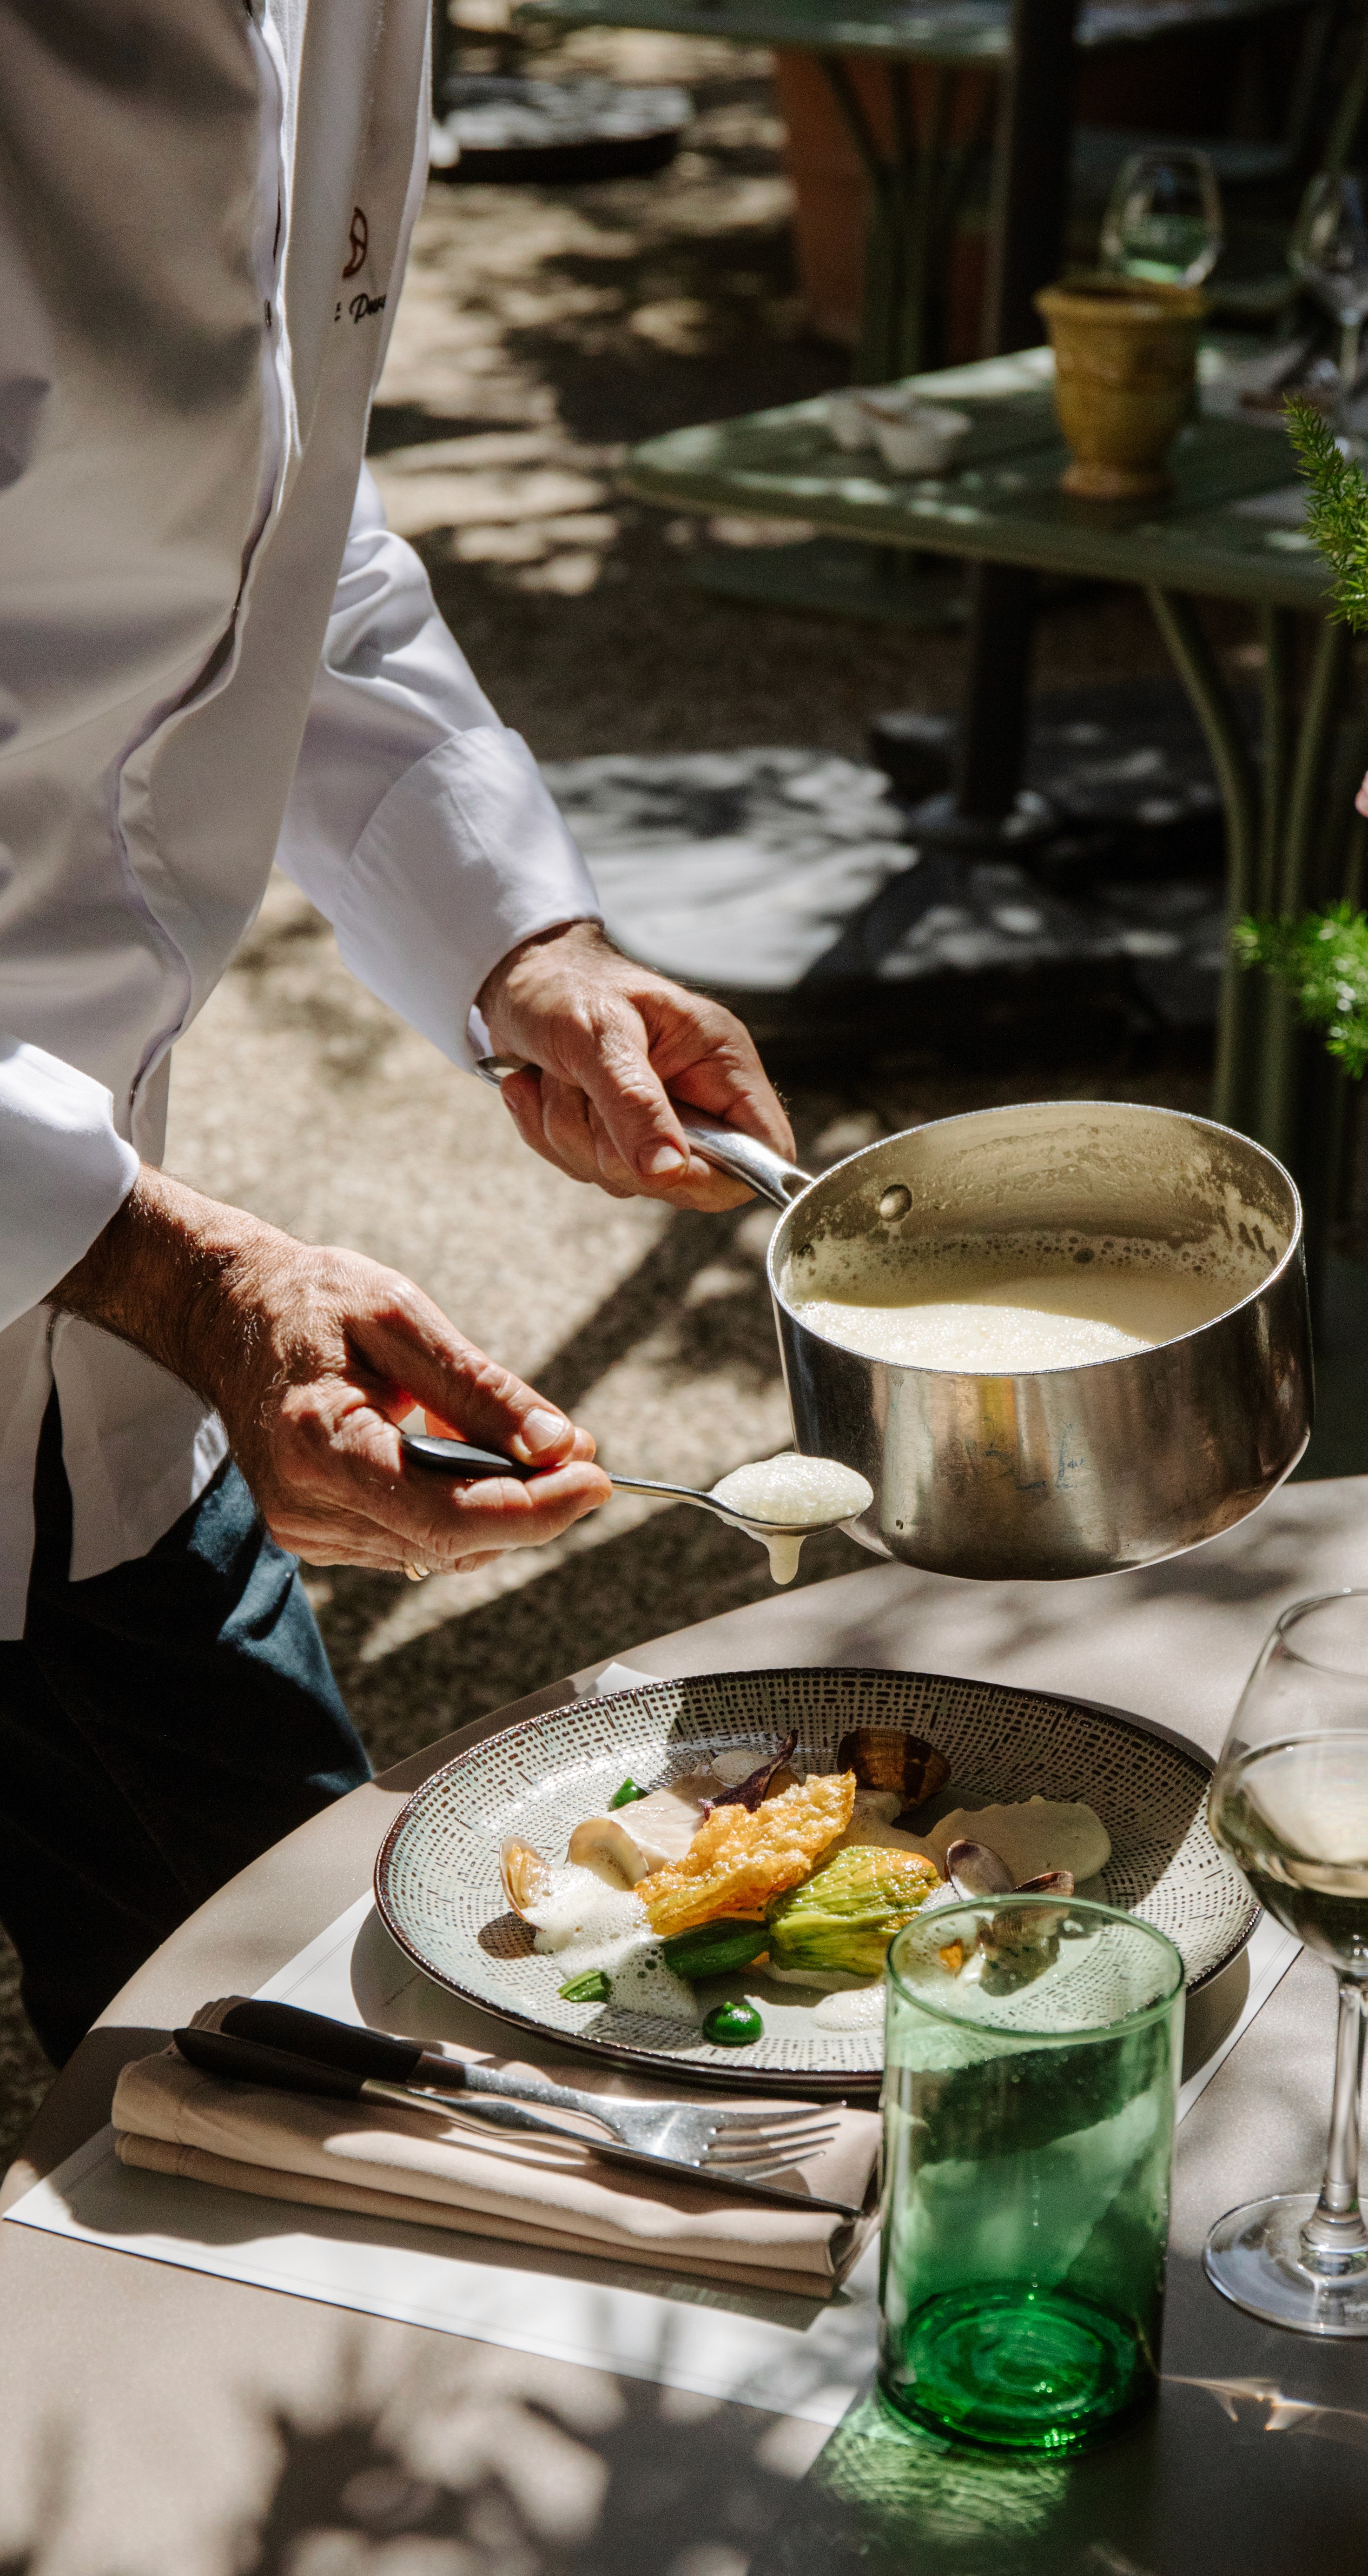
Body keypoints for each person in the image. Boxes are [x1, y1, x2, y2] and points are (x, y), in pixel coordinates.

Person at [0, 0, 794, 2065]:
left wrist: (523, 938)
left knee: (348, 2073)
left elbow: (291, 524)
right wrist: (183, 1263)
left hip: (93, 1418)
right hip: (113, 1271)